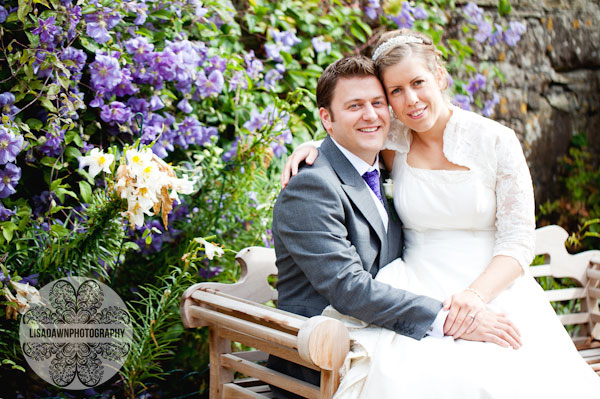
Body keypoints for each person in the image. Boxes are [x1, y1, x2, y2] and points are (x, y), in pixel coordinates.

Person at [282, 29, 600, 398]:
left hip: (492, 286)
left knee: (513, 378)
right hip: (415, 283)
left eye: (418, 82)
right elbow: (348, 139)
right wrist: (309, 148)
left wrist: (474, 298)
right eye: (396, 91)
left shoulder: (497, 140)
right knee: (438, 379)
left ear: (440, 76)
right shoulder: (393, 142)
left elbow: (518, 240)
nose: (410, 100)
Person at [270, 54, 523, 399]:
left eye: (377, 103)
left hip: (385, 319)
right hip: (321, 351)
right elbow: (348, 288)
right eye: (355, 105)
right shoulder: (310, 186)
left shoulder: (384, 164)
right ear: (326, 119)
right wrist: (451, 322)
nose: (371, 115)